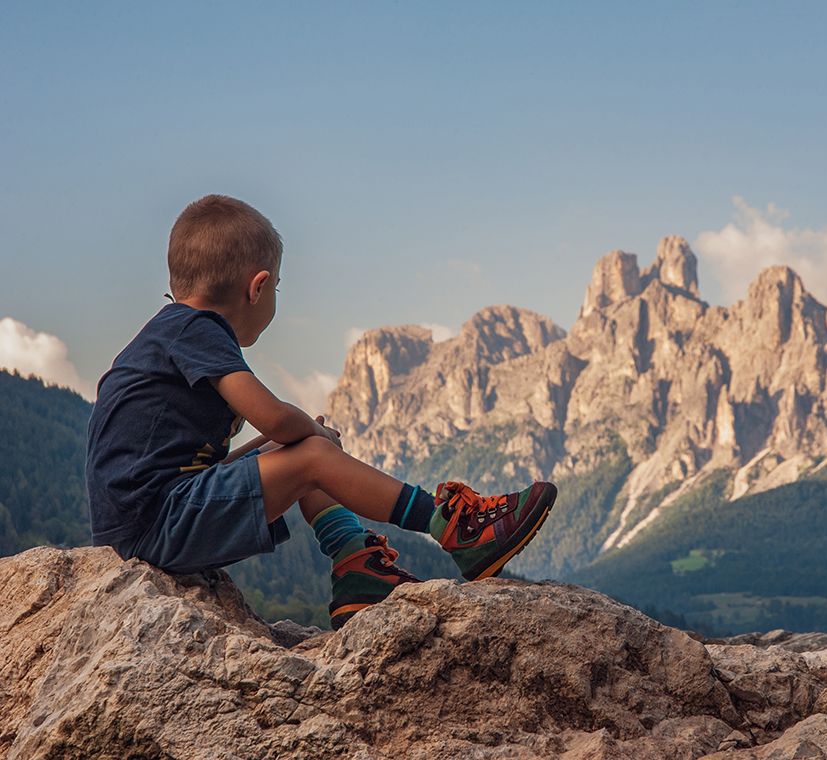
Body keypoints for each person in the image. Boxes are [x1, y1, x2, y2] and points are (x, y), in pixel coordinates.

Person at [85, 194, 557, 630]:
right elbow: (272, 416)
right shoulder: (197, 328)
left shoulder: (173, 330)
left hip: (158, 512)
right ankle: (456, 528)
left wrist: (294, 441)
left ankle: (357, 566)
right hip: (158, 521)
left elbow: (252, 446)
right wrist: (311, 435)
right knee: (308, 452)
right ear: (259, 286)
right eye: (277, 288)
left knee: (298, 449)